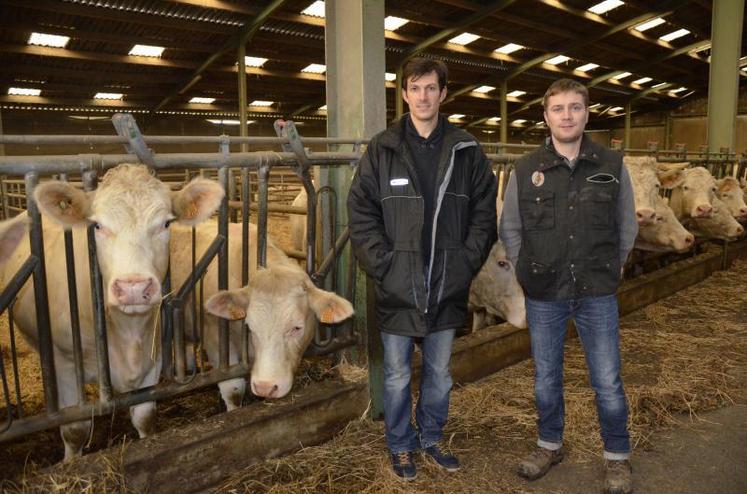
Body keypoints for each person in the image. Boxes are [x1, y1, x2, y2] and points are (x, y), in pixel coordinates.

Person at [347, 57, 497, 480]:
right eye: (416, 88)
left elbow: (485, 214)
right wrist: (385, 265)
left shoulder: (466, 150)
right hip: (397, 285)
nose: (424, 96)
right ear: (406, 94)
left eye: (432, 88)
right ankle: (400, 444)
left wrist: (466, 262)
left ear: (443, 94)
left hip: (447, 283)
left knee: (439, 373)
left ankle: (430, 437)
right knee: (395, 374)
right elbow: (360, 211)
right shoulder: (383, 148)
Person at [499, 78, 638, 494]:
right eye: (558, 108)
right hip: (545, 289)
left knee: (608, 378)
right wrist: (526, 271)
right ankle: (549, 444)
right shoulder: (527, 169)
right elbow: (510, 226)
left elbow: (626, 224)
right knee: (546, 376)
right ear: (546, 117)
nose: (566, 115)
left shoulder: (611, 164)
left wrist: (612, 268)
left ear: (587, 112)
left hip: (597, 288)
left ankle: (616, 457)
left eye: (575, 107)